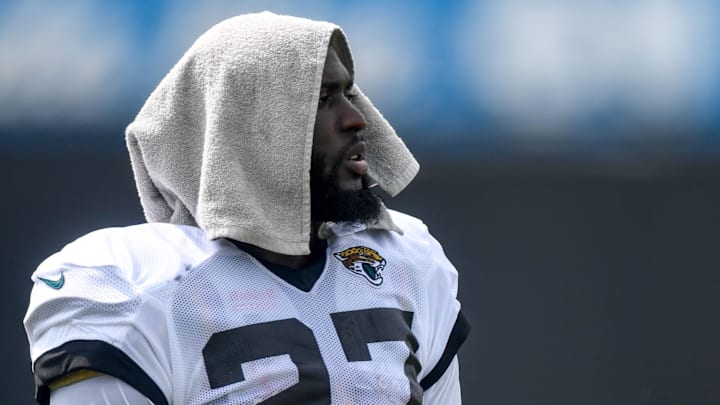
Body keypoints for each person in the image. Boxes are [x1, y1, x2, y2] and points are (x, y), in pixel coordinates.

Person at [24, 12, 469, 404]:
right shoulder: (136, 287)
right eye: (321, 100)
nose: (357, 119)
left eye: (349, 94)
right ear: (249, 129)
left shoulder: (404, 259)